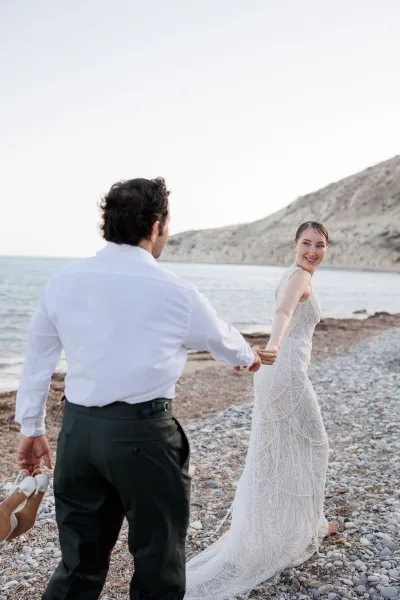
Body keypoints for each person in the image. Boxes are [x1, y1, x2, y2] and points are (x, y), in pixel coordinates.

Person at [13, 177, 277, 600]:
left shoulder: (62, 282)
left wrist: (31, 427)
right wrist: (249, 357)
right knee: (159, 563)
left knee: (78, 563)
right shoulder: (175, 291)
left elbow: (38, 361)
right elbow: (225, 342)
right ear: (155, 227)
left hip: (78, 435)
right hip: (145, 438)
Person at [185, 221, 338, 600]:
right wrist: (271, 346)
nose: (313, 251)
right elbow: (284, 313)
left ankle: (296, 526)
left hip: (280, 371)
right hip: (284, 372)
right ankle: (302, 528)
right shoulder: (299, 275)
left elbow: (287, 311)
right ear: (295, 245)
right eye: (307, 243)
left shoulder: (294, 273)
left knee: (276, 451)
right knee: (314, 445)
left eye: (320, 245)